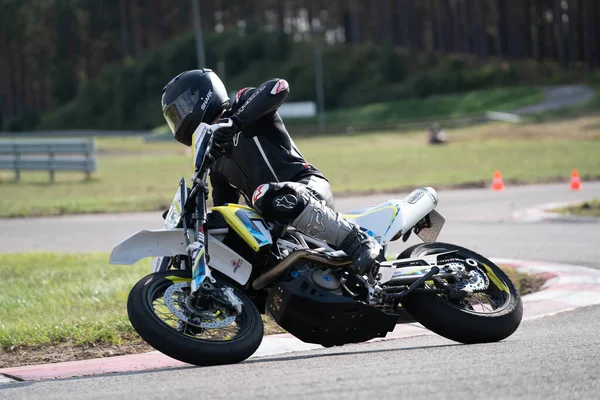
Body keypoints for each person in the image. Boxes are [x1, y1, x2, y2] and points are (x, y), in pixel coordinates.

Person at [160, 68, 381, 276]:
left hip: (306, 187)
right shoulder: (215, 157)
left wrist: (235, 123)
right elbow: (225, 209)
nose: (179, 120)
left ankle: (357, 240)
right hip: (274, 220)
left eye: (181, 109)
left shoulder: (243, 105)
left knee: (265, 196)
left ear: (203, 95)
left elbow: (279, 87)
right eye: (174, 117)